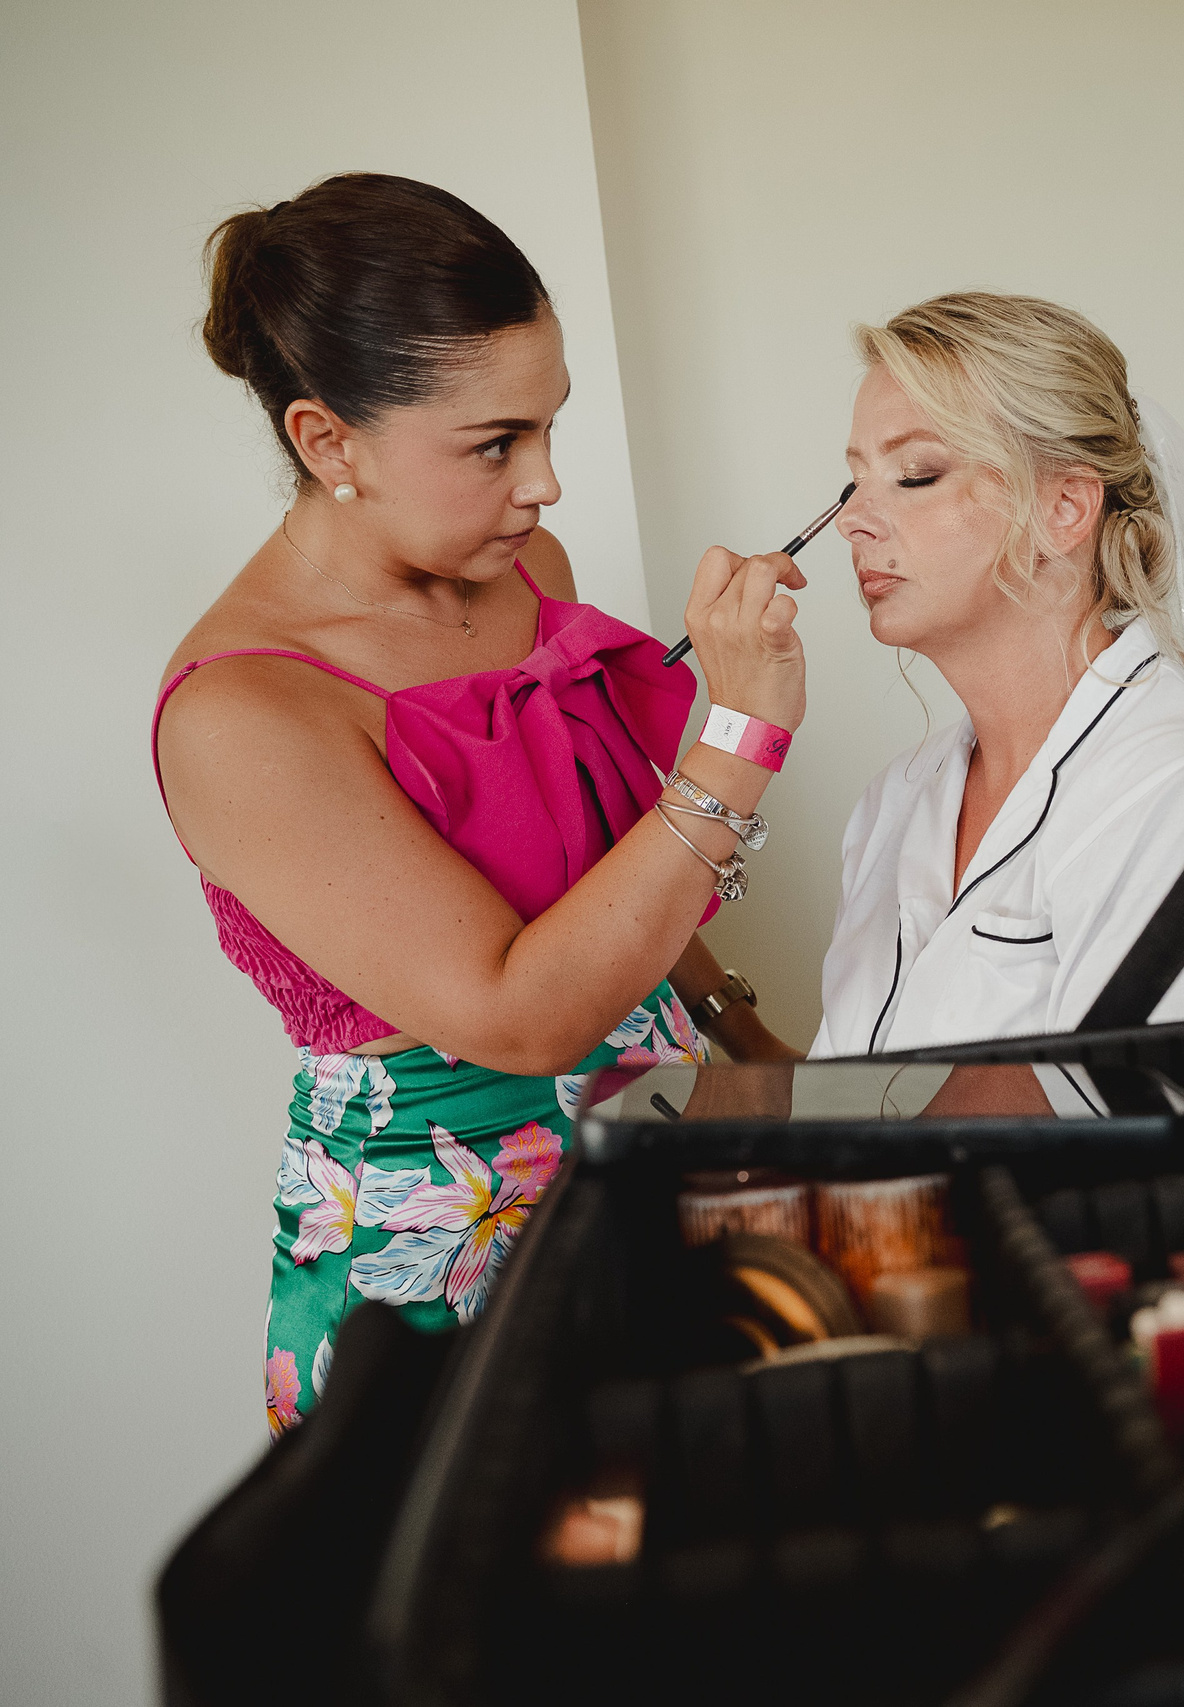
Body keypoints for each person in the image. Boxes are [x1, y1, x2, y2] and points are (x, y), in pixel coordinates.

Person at [153, 173, 808, 1434]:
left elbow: (612, 864)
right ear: (325, 439)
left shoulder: (522, 575)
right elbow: (518, 1018)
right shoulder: (244, 714)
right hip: (441, 1233)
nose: (547, 486)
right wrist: (735, 739)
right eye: (495, 444)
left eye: (550, 427)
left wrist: (735, 1027)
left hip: (657, 1132)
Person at [807, 294, 1184, 1097]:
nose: (852, 521)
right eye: (854, 480)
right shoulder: (895, 802)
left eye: (915, 474)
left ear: (1064, 507)